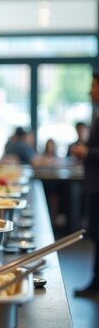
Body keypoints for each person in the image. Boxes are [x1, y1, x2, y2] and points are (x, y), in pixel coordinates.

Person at [73, 70, 99, 297]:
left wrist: (87, 151)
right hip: (93, 185)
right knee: (95, 233)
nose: (90, 91)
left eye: (94, 85)